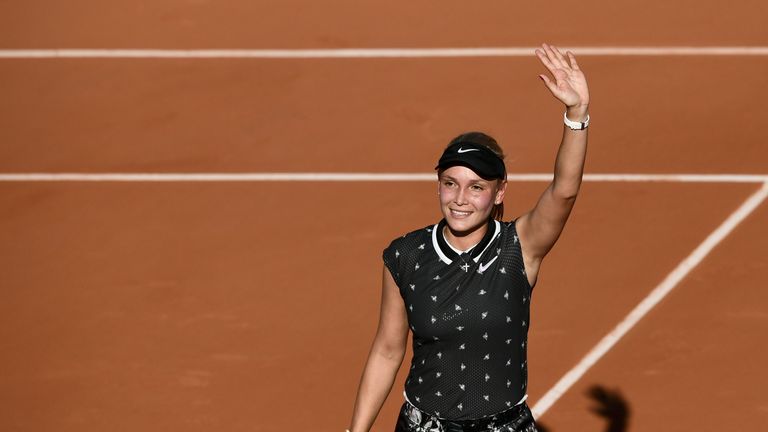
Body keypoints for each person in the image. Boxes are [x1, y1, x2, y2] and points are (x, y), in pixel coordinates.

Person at [346, 43, 590, 432]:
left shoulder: (518, 247)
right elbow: (387, 351)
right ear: (438, 186)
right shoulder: (406, 255)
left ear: (499, 193)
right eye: (450, 184)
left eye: (477, 187)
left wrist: (576, 114)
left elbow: (564, 191)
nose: (460, 199)